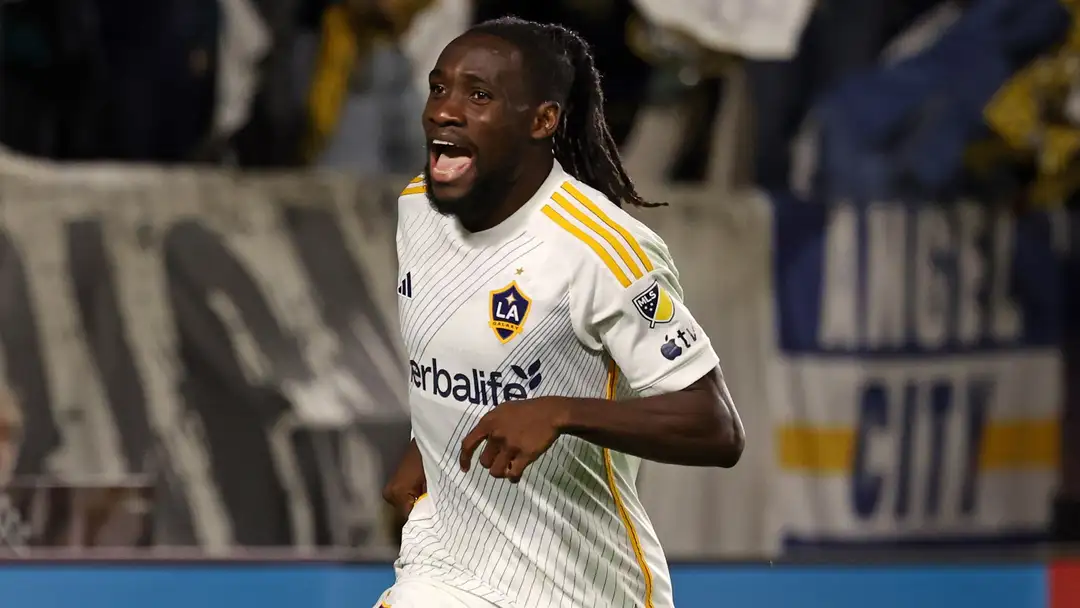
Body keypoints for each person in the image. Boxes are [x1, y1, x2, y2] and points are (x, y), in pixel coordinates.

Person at [379, 16, 744, 608]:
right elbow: (459, 355)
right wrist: (428, 439)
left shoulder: (602, 250)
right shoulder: (418, 209)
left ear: (542, 120)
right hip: (445, 568)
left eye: (479, 95)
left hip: (581, 588)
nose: (444, 111)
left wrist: (563, 412)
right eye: (439, 87)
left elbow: (716, 428)